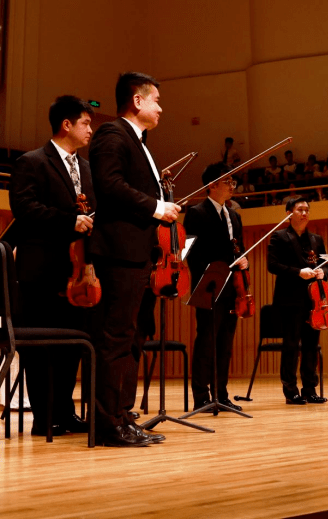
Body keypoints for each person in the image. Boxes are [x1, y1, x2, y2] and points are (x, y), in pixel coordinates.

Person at [88, 72, 179, 447]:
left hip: (140, 257)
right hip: (119, 255)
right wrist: (158, 206)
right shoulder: (113, 135)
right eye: (156, 100)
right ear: (137, 102)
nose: (160, 108)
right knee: (115, 339)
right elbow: (109, 187)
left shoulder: (140, 143)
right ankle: (108, 424)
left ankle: (123, 417)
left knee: (134, 339)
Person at [8, 95, 95, 437]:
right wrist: (69, 221)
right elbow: (25, 209)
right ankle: (44, 417)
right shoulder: (32, 162)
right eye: (86, 123)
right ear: (66, 125)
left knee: (72, 344)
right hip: (41, 270)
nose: (91, 129)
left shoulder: (87, 169)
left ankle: (65, 411)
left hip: (78, 273)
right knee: (41, 348)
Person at [183, 163, 248, 412]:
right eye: (227, 182)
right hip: (209, 285)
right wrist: (213, 272)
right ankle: (201, 396)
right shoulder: (196, 213)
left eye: (233, 182)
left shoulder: (235, 216)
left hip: (233, 287)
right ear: (212, 185)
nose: (232, 186)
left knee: (225, 344)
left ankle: (221, 393)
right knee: (206, 342)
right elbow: (193, 253)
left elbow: (238, 247)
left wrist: (244, 259)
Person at [267, 197, 328, 405]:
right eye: (300, 209)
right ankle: (291, 390)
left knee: (311, 346)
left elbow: (326, 265)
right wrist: (298, 272)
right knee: (291, 345)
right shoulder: (279, 237)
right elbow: (273, 265)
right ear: (289, 213)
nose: (304, 213)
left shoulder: (316, 239)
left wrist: (322, 271)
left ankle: (310, 389)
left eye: (307, 210)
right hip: (289, 300)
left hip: (314, 301)